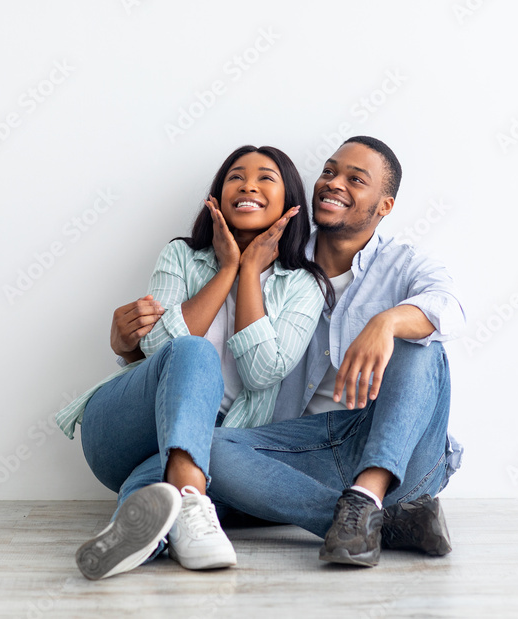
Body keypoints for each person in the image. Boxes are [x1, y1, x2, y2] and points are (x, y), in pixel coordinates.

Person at [55, 145, 330, 580]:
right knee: (194, 350)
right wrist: (228, 269)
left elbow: (262, 372)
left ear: (290, 204)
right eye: (236, 177)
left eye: (265, 178)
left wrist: (251, 274)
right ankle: (193, 500)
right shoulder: (180, 256)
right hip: (122, 427)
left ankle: (147, 535)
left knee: (160, 477)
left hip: (210, 442)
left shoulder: (304, 285)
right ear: (217, 197)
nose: (248, 186)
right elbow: (155, 347)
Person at [204, 136, 465, 567]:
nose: (333, 183)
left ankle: (368, 493)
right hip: (301, 453)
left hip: (393, 450)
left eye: (355, 179)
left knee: (421, 345)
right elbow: (218, 344)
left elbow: (449, 308)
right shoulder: (275, 261)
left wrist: (386, 322)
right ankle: (377, 520)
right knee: (205, 447)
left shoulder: (403, 263)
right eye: (329, 171)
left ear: (384, 206)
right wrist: (133, 348)